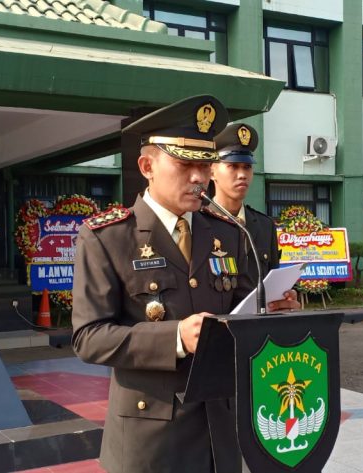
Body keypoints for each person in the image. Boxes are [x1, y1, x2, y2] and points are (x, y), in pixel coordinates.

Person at [70, 96, 299, 473]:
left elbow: (241, 311)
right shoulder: (107, 238)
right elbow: (89, 337)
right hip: (152, 437)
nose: (198, 177)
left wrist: (270, 309)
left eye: (205, 165)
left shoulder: (227, 232)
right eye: (184, 164)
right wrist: (175, 336)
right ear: (147, 166)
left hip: (220, 428)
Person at [207, 123, 281, 289]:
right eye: (233, 166)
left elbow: (272, 281)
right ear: (212, 172)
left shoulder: (265, 225)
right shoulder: (198, 223)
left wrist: (283, 296)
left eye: (247, 167)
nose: (242, 175)